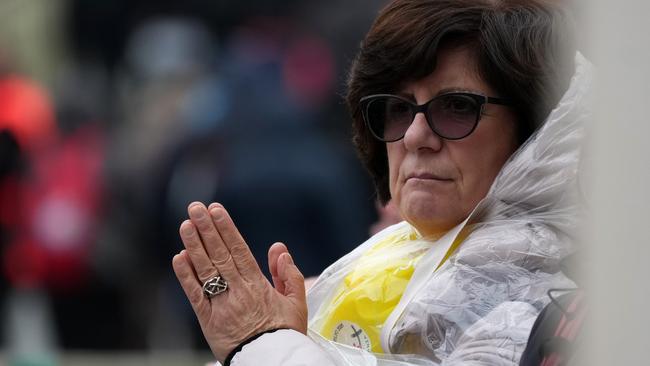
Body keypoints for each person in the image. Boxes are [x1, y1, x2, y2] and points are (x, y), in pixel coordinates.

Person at [171, 0, 591, 364]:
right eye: (396, 108)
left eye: (457, 107)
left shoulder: (539, 298)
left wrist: (260, 341)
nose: (414, 136)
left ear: (536, 130)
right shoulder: (382, 261)